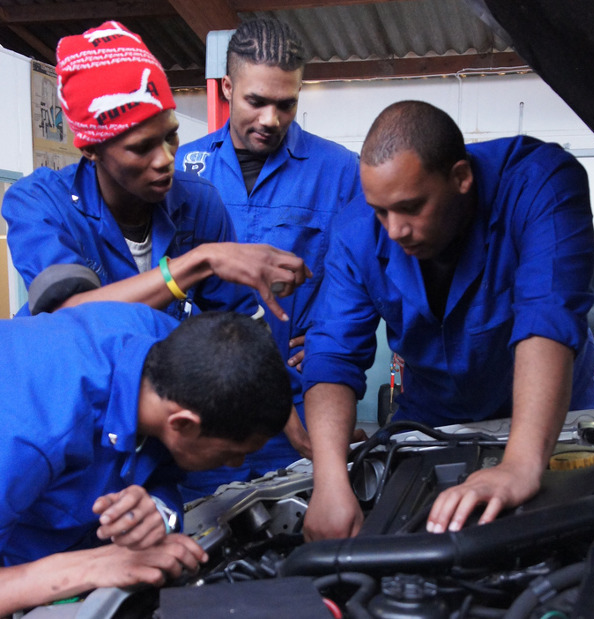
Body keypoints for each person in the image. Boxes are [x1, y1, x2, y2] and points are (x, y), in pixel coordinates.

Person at [301, 100, 594, 542]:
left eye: (411, 207)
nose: (394, 230)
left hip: (558, 420)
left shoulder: (541, 183)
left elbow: (549, 314)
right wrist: (329, 483)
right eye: (381, 211)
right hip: (433, 423)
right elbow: (331, 357)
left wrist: (519, 465)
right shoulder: (357, 231)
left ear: (461, 177)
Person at [2, 20, 310, 322]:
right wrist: (199, 262)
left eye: (170, 136)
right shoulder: (39, 202)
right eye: (141, 147)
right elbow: (71, 314)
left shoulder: (198, 201)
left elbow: (236, 321)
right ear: (91, 149)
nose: (165, 159)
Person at [0, 301, 292, 616]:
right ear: (182, 423)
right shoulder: (30, 435)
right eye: (232, 454)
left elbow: (163, 472)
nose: (235, 465)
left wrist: (159, 512)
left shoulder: (171, 350)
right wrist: (87, 566)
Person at [175, 18, 363, 497]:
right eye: (255, 101)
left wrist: (326, 336)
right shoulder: (180, 171)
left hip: (299, 406)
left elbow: (363, 272)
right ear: (227, 87)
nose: (270, 120)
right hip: (202, 409)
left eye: (287, 103)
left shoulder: (340, 172)